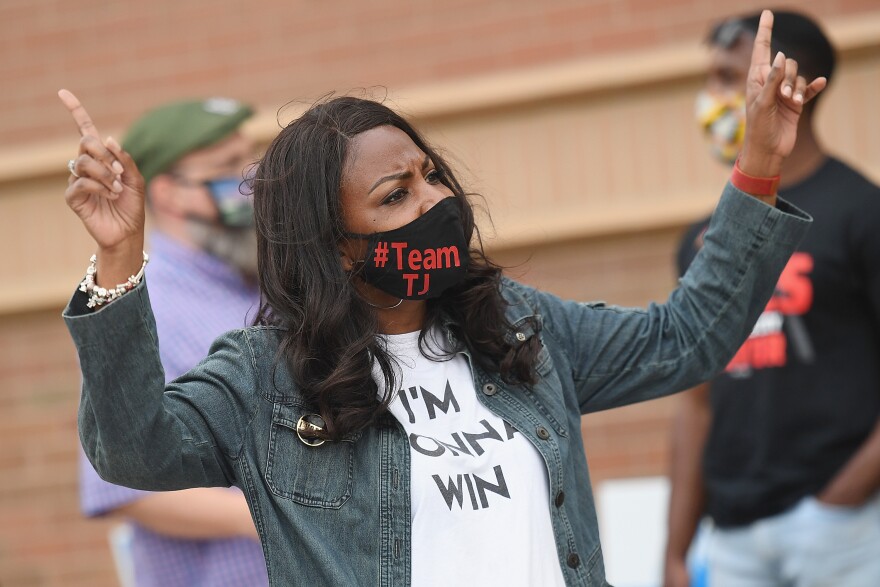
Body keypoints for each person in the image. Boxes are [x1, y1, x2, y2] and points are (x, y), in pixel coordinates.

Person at [61, 11, 818, 586]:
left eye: (431, 175)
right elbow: (133, 449)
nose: (435, 201)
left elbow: (684, 340)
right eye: (396, 195)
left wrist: (755, 167)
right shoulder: (266, 379)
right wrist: (119, 257)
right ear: (332, 244)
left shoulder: (518, 327)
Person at [664, 10, 880, 587]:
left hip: (845, 527)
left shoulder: (863, 212)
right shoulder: (702, 238)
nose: (711, 99)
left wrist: (842, 500)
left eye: (727, 77)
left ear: (786, 82)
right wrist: (676, 550)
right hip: (732, 535)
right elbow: (696, 402)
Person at [76, 98, 269, 586]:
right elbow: (121, 485)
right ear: (169, 193)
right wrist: (282, 515)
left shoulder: (274, 283)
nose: (251, 181)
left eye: (252, 161)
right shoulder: (138, 305)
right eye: (228, 168)